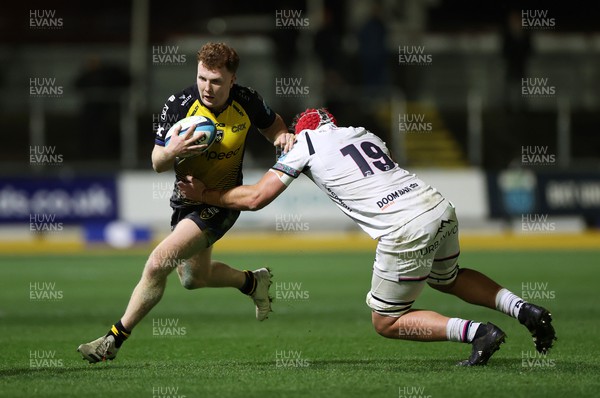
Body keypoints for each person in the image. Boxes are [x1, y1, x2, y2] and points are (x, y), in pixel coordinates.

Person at [177, 108, 557, 366]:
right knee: (449, 277)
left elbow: (257, 197)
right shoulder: (362, 133)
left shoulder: (304, 143)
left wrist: (205, 196)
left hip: (403, 227)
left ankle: (479, 333)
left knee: (386, 321)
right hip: (437, 205)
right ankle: (525, 309)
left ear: (303, 129)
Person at [77, 42, 295, 363]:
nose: (207, 87)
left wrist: (282, 137)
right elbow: (157, 162)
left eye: (216, 81)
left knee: (157, 263)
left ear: (232, 80)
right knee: (194, 279)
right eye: (202, 78)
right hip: (185, 199)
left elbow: (272, 123)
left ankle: (112, 340)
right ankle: (252, 281)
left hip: (222, 201)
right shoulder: (179, 104)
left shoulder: (246, 100)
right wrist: (172, 150)